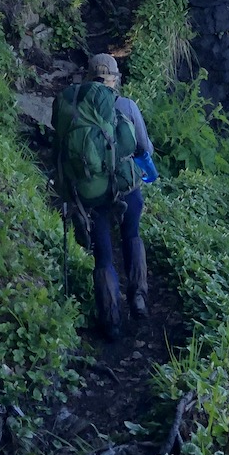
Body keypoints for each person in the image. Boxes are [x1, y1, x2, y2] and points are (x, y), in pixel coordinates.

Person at [54, 53, 158, 340]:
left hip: (90, 193)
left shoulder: (73, 105)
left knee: (103, 256)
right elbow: (143, 146)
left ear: (87, 77)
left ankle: (111, 322)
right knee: (132, 234)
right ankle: (138, 297)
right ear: (114, 78)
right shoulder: (125, 104)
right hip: (125, 188)